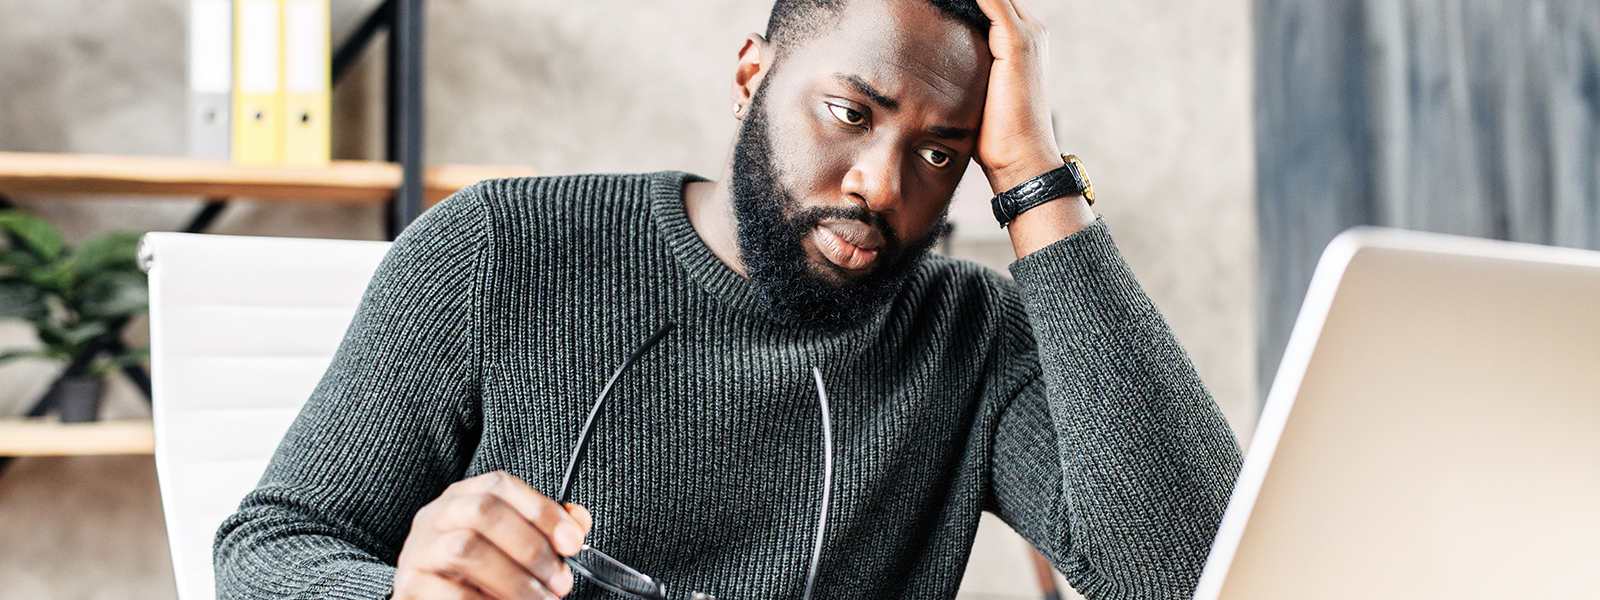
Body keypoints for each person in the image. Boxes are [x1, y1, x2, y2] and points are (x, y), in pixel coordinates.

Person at [214, 0, 1243, 598]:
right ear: (751, 76)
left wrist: (1036, 178)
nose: (883, 184)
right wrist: (401, 595)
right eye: (849, 112)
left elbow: (1194, 575)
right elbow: (270, 548)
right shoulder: (499, 248)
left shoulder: (971, 335)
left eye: (942, 150)